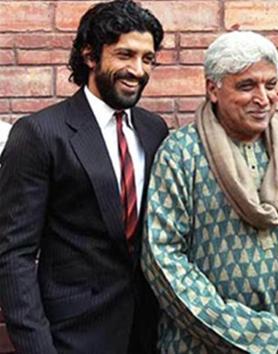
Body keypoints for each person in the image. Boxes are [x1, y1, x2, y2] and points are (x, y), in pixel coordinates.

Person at [0, 1, 168, 353]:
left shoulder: (154, 130)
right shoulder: (40, 133)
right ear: (90, 56)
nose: (138, 70)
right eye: (125, 55)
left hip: (146, 334)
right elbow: (13, 254)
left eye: (147, 58)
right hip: (72, 336)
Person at [141, 31, 278, 353]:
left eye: (271, 85)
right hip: (199, 345)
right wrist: (248, 335)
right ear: (213, 89)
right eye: (247, 86)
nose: (263, 98)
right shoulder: (181, 153)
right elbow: (162, 260)